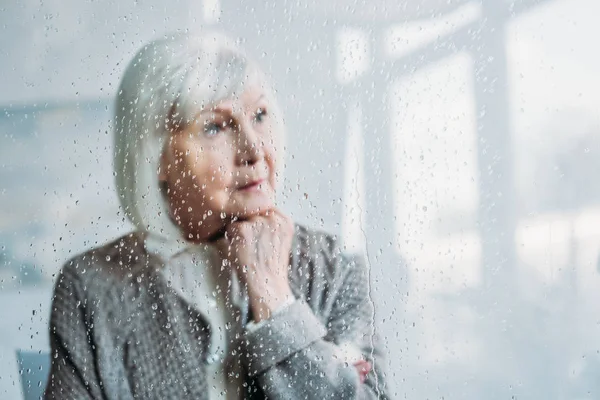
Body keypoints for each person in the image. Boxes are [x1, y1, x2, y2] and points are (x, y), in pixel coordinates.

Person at [44, 31, 389, 399]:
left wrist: (274, 300)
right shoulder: (92, 285)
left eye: (259, 115)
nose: (254, 150)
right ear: (156, 155)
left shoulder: (333, 266)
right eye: (214, 126)